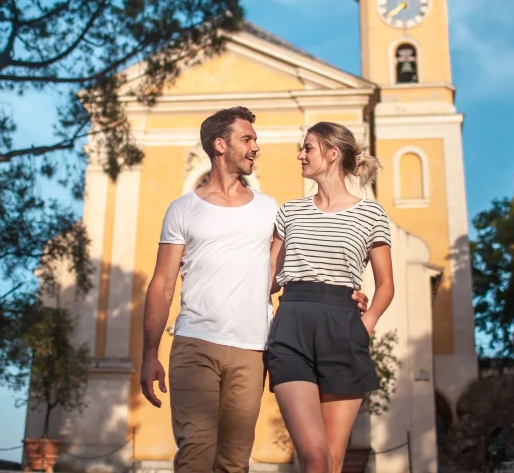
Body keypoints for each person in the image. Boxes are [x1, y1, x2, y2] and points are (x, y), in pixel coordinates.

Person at [139, 107, 369, 473]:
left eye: (255, 139)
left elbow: (293, 272)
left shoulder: (271, 210)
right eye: (247, 139)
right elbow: (162, 282)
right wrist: (150, 353)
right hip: (194, 343)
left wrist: (345, 295)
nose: (255, 147)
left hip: (253, 349)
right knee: (196, 453)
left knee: (234, 463)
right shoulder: (182, 209)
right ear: (219, 145)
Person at [266, 121, 395, 473]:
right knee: (314, 456)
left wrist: (366, 324)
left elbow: (385, 285)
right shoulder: (289, 211)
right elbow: (269, 278)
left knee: (334, 460)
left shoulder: (372, 213)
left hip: (343, 328)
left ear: (332, 153)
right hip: (291, 328)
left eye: (308, 148)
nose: (300, 155)